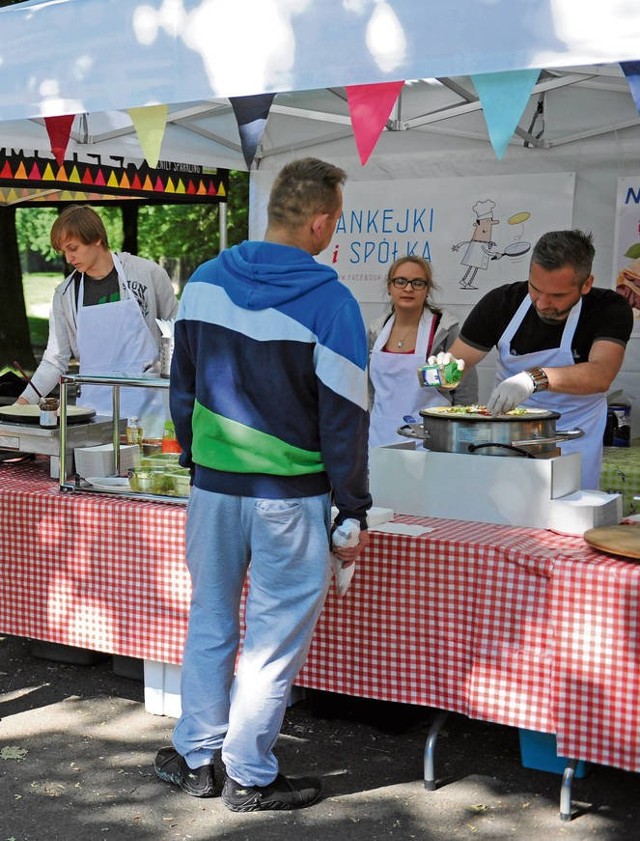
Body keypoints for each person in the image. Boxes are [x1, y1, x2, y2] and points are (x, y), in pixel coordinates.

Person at [154, 158, 371, 812]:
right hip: (288, 496)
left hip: (215, 488)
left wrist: (198, 458)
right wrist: (351, 508)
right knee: (271, 637)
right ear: (321, 221)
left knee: (212, 618)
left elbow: (182, 388)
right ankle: (247, 770)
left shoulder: (206, 280)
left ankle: (198, 755)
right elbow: (346, 417)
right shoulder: (331, 301)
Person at [447, 229, 634, 489]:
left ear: (586, 284)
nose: (543, 303)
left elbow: (600, 374)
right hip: (506, 441)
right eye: (535, 289)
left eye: (557, 296)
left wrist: (533, 378)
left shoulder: (608, 308)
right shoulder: (501, 303)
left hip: (572, 442)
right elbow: (458, 363)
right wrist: (442, 373)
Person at [15, 205, 179, 437]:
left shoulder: (148, 274)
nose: (69, 258)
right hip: (93, 412)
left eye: (73, 248)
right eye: (64, 251)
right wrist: (23, 402)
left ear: (98, 239)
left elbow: (177, 333)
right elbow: (55, 361)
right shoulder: (65, 294)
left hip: (150, 408)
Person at [368, 255, 478, 449]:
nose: (408, 288)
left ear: (427, 289)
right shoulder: (376, 332)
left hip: (430, 443)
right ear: (389, 287)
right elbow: (371, 390)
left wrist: (462, 441)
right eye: (400, 281)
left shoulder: (443, 331)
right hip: (380, 440)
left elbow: (464, 392)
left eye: (418, 283)